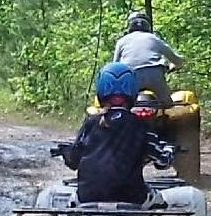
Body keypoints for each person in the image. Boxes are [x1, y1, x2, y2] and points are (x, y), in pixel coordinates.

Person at [60, 62, 174, 205]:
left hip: (87, 197)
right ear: (133, 91)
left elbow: (73, 161)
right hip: (132, 197)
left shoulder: (91, 123)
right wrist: (169, 149)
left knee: (71, 206)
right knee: (160, 203)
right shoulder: (141, 125)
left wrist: (65, 151)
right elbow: (162, 162)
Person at [112, 10, 184, 108]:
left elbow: (114, 66)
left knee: (124, 108)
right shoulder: (153, 38)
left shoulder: (122, 41)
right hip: (154, 76)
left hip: (130, 77)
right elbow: (177, 60)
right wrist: (177, 64)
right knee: (168, 107)